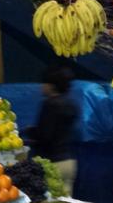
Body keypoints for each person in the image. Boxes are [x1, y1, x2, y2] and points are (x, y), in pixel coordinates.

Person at [26, 66, 79, 195]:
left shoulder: (50, 104)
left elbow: (45, 135)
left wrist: (31, 133)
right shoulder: (71, 104)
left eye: (44, 83)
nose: (41, 87)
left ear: (51, 86)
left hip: (52, 165)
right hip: (68, 163)